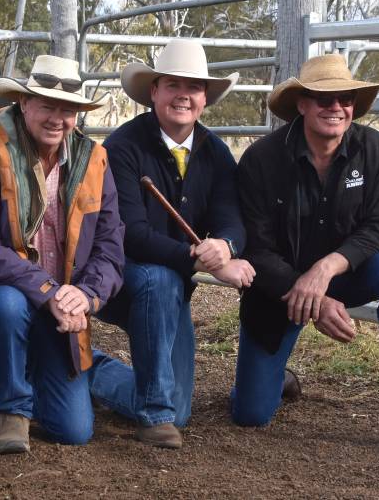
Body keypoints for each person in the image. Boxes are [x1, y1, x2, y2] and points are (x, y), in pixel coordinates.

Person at [231, 53, 379, 456]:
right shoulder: (261, 159)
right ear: (302, 104)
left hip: (346, 274)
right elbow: (255, 249)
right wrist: (313, 296)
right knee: (251, 414)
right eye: (324, 98)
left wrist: (327, 268)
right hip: (280, 290)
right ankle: (273, 378)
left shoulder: (371, 147)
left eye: (345, 99)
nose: (336, 107)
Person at [98, 39, 257, 449]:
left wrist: (225, 245)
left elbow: (231, 216)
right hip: (123, 280)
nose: (183, 95)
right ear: (154, 91)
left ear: (205, 97)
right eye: (172, 85)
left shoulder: (215, 152)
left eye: (194, 87)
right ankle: (154, 416)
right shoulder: (122, 148)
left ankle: (83, 367)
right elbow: (129, 232)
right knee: (158, 278)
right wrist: (203, 261)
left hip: (173, 285)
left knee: (180, 408)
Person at [0, 54, 125, 452]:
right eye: (48, 106)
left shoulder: (94, 160)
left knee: (73, 431)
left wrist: (84, 295)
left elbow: (110, 245)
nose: (57, 118)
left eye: (67, 109)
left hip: (65, 301)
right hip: (11, 292)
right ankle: (12, 408)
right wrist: (48, 289)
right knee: (6, 303)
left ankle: (79, 365)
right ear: (24, 103)